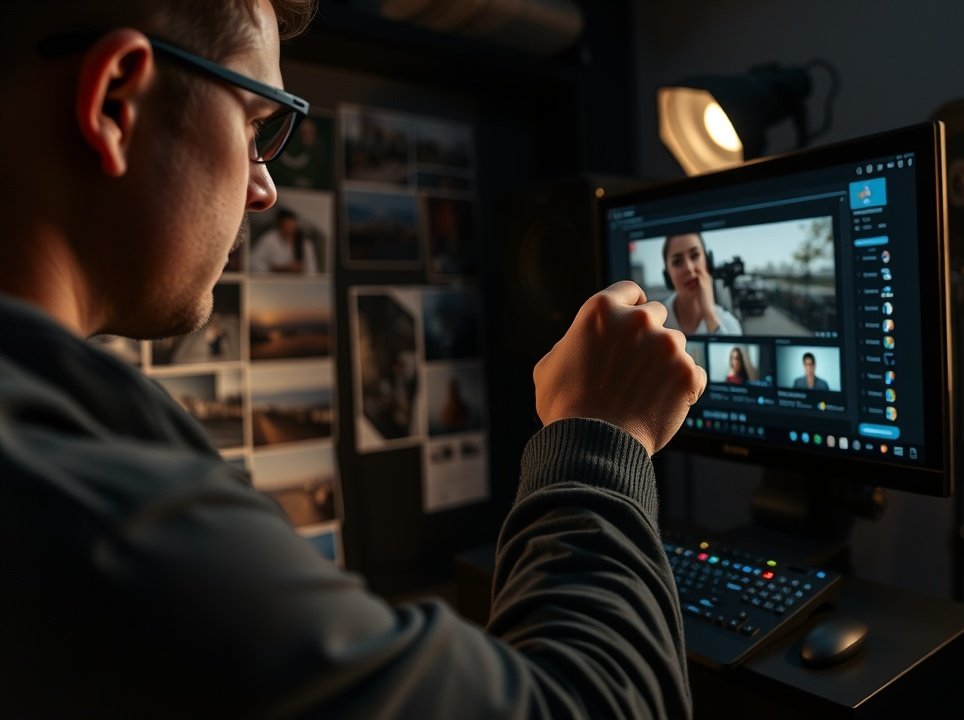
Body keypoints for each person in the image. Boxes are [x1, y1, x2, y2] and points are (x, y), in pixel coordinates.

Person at [0, 1, 707, 717]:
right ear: (118, 100)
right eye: (255, 124)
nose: (263, 188)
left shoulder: (72, 440)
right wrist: (600, 436)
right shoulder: (90, 504)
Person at [661, 232, 742, 335]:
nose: (689, 268)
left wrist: (710, 316)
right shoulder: (656, 322)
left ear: (708, 262)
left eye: (695, 256)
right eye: (677, 262)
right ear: (667, 274)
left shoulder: (729, 325)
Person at [249, 205, 320, 273]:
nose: (289, 228)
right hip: (272, 282)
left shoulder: (305, 244)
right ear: (280, 224)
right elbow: (254, 262)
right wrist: (278, 268)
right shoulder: (269, 239)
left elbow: (311, 271)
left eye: (292, 224)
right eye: (286, 224)